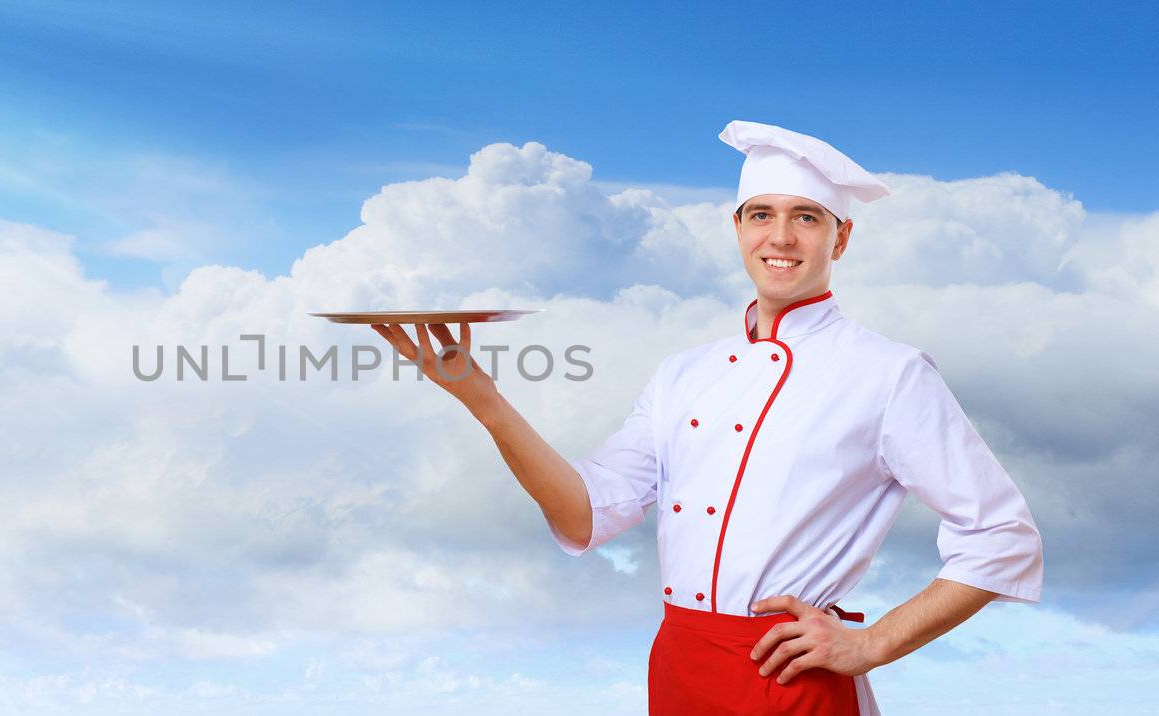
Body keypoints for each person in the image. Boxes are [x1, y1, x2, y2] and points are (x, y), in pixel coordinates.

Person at [370, 119, 1044, 715]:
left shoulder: (888, 374)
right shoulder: (682, 375)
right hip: (679, 667)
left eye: (806, 217)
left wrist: (873, 643)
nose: (780, 237)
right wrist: (483, 402)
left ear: (841, 238)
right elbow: (584, 514)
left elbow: (1002, 535)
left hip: (787, 678)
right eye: (761, 214)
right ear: (737, 227)